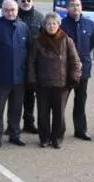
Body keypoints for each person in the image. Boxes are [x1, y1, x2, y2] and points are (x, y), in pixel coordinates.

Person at [27, 13, 81, 149]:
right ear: (44, 26)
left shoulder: (67, 40)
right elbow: (31, 62)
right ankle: (44, 137)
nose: (51, 26)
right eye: (48, 24)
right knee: (43, 113)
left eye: (54, 24)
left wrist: (74, 78)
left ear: (58, 25)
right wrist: (32, 80)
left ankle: (57, 138)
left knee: (59, 114)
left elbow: (75, 61)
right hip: (42, 84)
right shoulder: (37, 41)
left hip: (61, 84)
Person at [0, 0, 30, 147]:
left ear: (17, 10)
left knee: (16, 108)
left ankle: (14, 134)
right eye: (7, 10)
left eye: (13, 10)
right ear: (2, 11)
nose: (10, 12)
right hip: (1, 77)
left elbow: (28, 51)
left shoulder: (24, 27)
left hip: (19, 77)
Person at [60, 0, 94, 141]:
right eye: (72, 5)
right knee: (61, 102)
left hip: (83, 70)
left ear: (82, 7)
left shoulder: (89, 24)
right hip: (65, 70)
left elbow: (91, 43)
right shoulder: (62, 25)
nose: (76, 8)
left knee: (81, 100)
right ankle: (58, 131)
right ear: (67, 8)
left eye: (78, 5)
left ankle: (80, 130)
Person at [16, 0, 44, 135]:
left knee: (30, 96)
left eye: (28, 0)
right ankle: (12, 125)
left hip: (34, 64)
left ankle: (29, 123)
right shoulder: (13, 15)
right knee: (15, 96)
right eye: (23, 1)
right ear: (18, 3)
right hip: (17, 63)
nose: (26, 3)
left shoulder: (40, 17)